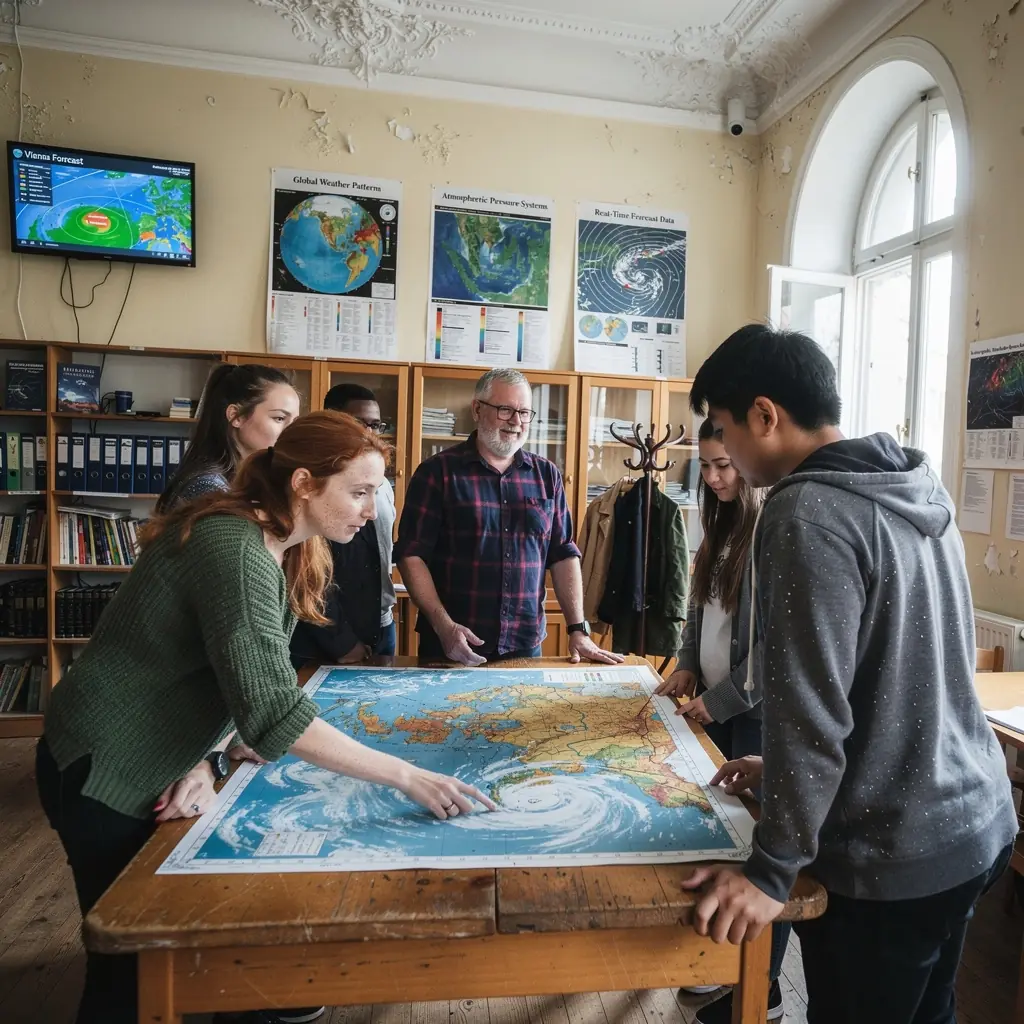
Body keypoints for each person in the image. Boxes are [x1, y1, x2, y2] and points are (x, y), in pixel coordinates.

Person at [36, 411, 496, 1024]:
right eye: (358, 492)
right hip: (102, 764)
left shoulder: (279, 542)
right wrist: (410, 776)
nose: (370, 509)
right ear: (304, 483)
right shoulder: (237, 550)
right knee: (130, 969)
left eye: (375, 492)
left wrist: (209, 755)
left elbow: (239, 675)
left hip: (153, 754)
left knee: (170, 960)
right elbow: (275, 711)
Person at [680, 324, 1016, 1024]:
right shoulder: (911, 484)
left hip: (894, 851)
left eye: (723, 430)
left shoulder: (804, 510)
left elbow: (809, 709)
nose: (727, 457)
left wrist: (771, 873)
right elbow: (894, 676)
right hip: (974, 823)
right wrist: (778, 771)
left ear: (765, 415)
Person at [654, 418, 787, 1023]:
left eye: (722, 465)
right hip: (713, 699)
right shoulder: (718, 523)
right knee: (717, 833)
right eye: (704, 466)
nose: (711, 477)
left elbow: (773, 650)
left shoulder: (770, 528)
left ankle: (761, 985)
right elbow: (697, 608)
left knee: (754, 847)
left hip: (751, 716)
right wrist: (686, 665)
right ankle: (718, 964)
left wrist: (721, 702)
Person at [396, 367, 621, 666]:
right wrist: (442, 625)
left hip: (524, 644)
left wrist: (578, 628)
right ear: (477, 409)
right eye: (505, 410)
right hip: (451, 642)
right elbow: (411, 555)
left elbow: (564, 553)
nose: (516, 422)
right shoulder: (437, 473)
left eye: (525, 412)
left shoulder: (546, 475)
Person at [291, 383, 397, 665]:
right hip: (325, 635)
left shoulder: (383, 485)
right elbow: (307, 574)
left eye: (375, 425)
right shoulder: (317, 485)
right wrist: (343, 642)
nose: (369, 433)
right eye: (360, 423)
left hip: (380, 623)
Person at [155, 362, 300, 512]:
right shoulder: (208, 488)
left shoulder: (249, 479)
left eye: (295, 422)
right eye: (279, 418)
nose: (292, 431)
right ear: (236, 416)